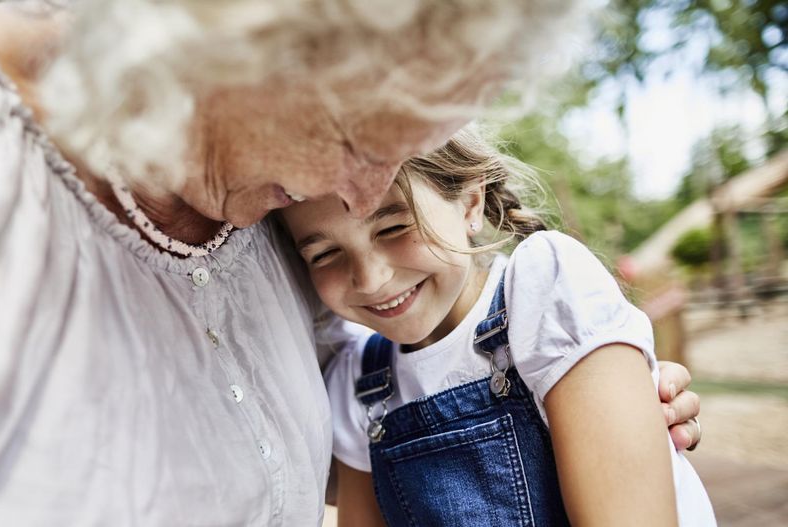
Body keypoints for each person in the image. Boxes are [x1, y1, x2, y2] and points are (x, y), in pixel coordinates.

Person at [0, 0, 702, 525]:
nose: (360, 192)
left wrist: (594, 401)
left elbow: (320, 448)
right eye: (351, 134)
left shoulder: (266, 194)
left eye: (408, 146)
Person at [279, 128, 716, 526]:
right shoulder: (358, 382)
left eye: (394, 226)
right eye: (324, 255)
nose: (370, 278)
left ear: (470, 203)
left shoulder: (544, 286)